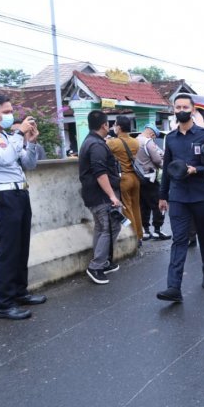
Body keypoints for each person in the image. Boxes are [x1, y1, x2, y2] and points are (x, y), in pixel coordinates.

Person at [0, 94, 46, 320]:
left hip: (20, 192)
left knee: (22, 246)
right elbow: (4, 159)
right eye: (5, 112)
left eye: (10, 111)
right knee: (8, 250)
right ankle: (4, 303)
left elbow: (29, 164)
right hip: (2, 196)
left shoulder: (7, 136)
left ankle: (19, 291)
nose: (10, 115)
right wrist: (20, 133)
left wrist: (31, 142)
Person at [156, 94, 204, 302]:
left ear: (193, 110)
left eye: (185, 106)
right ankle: (174, 287)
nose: (181, 109)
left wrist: (197, 169)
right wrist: (163, 195)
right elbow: (166, 168)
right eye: (178, 107)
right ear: (174, 110)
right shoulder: (171, 138)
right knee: (179, 239)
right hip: (178, 197)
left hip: (201, 195)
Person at [78, 110, 123, 285]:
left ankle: (103, 261)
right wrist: (112, 195)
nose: (110, 127)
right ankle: (96, 266)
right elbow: (100, 173)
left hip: (95, 195)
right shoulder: (96, 145)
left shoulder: (91, 141)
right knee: (108, 228)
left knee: (102, 227)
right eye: (108, 124)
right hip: (101, 196)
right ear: (104, 125)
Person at [107, 116, 143, 241]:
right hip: (135, 177)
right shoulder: (135, 142)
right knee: (136, 207)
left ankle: (133, 237)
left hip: (124, 178)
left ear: (119, 127)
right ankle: (139, 234)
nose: (113, 127)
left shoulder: (113, 143)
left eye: (115, 125)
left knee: (127, 208)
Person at [136, 124, 171, 241]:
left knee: (143, 205)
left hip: (138, 178)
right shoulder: (148, 142)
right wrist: (165, 167)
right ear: (152, 134)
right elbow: (157, 159)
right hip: (150, 177)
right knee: (159, 203)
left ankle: (145, 230)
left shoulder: (135, 141)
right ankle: (158, 230)